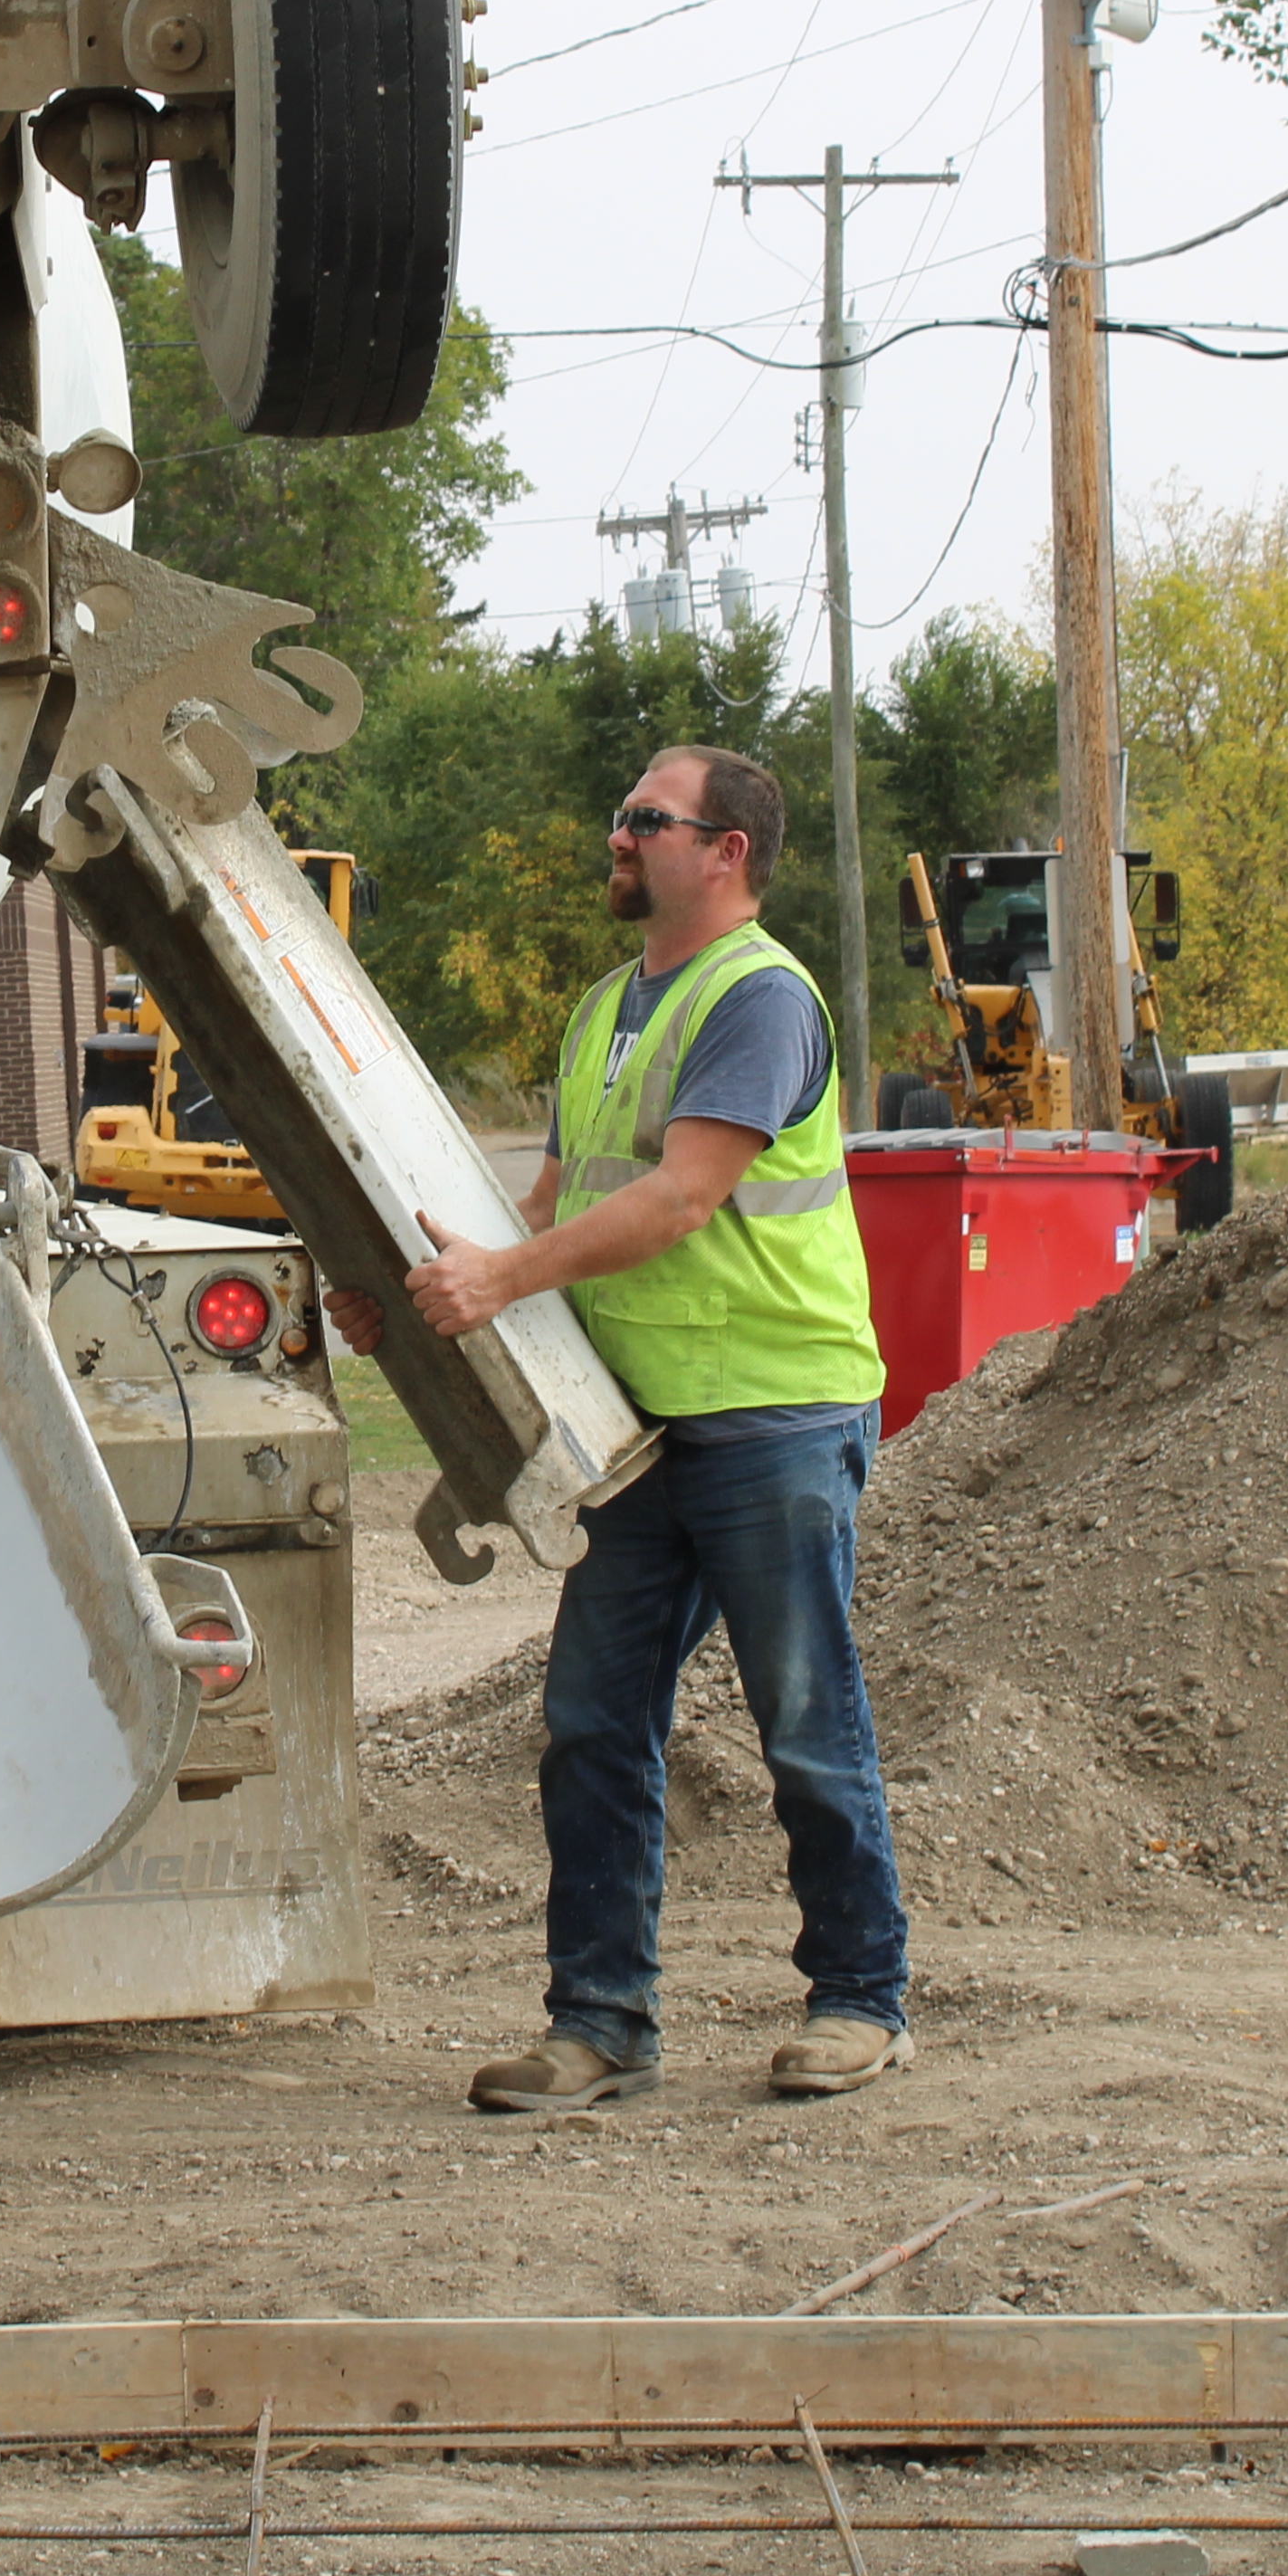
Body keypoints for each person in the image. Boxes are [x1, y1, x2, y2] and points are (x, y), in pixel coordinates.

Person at [327, 743, 907, 2112]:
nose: (619, 835)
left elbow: (683, 1201)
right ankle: (599, 2023)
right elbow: (545, 1218)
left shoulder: (757, 999)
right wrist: (421, 1307)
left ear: (727, 853)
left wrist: (500, 1282)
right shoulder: (609, 1008)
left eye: (648, 819)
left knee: (806, 1725)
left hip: (772, 1412)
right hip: (644, 1428)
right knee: (593, 1723)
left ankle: (861, 2001)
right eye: (622, 814)